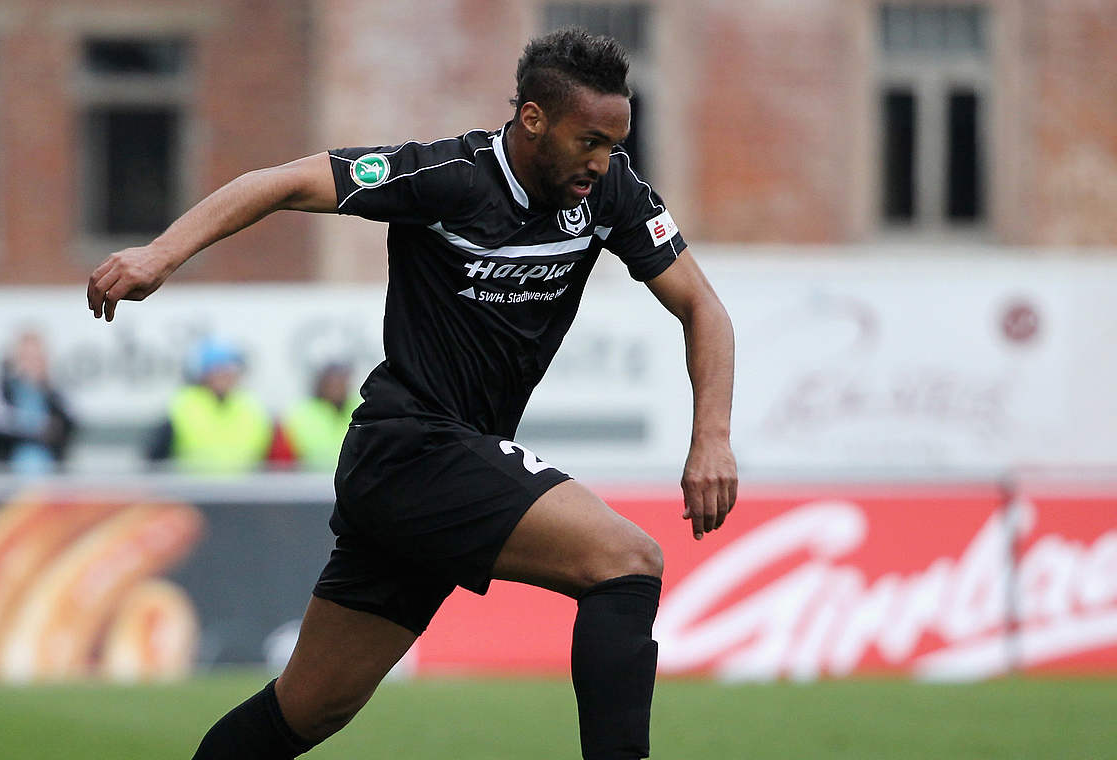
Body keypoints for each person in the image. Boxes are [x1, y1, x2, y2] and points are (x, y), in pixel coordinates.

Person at [87, 28, 736, 760]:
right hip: (410, 447)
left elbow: (702, 307)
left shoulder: (610, 192)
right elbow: (283, 181)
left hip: (435, 475)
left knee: (307, 709)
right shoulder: (446, 177)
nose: (603, 160)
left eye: (616, 143)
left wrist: (711, 435)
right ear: (532, 120)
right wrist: (158, 254)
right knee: (626, 559)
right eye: (589, 140)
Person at [145, 336, 273, 474]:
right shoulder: (182, 407)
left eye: (230, 371)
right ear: (203, 374)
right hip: (190, 492)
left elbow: (269, 460)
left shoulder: (252, 408)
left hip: (244, 493)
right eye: (219, 370)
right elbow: (154, 461)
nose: (226, 376)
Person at [0, 329, 76, 474]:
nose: (31, 364)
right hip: (8, 480)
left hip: (52, 480)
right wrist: (36, 428)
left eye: (37, 358)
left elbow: (70, 423)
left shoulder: (57, 395)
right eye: (26, 358)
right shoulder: (3, 391)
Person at [269, 362, 361, 470]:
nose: (336, 385)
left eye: (341, 378)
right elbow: (283, 464)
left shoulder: (363, 409)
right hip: (310, 484)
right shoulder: (299, 416)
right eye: (331, 379)